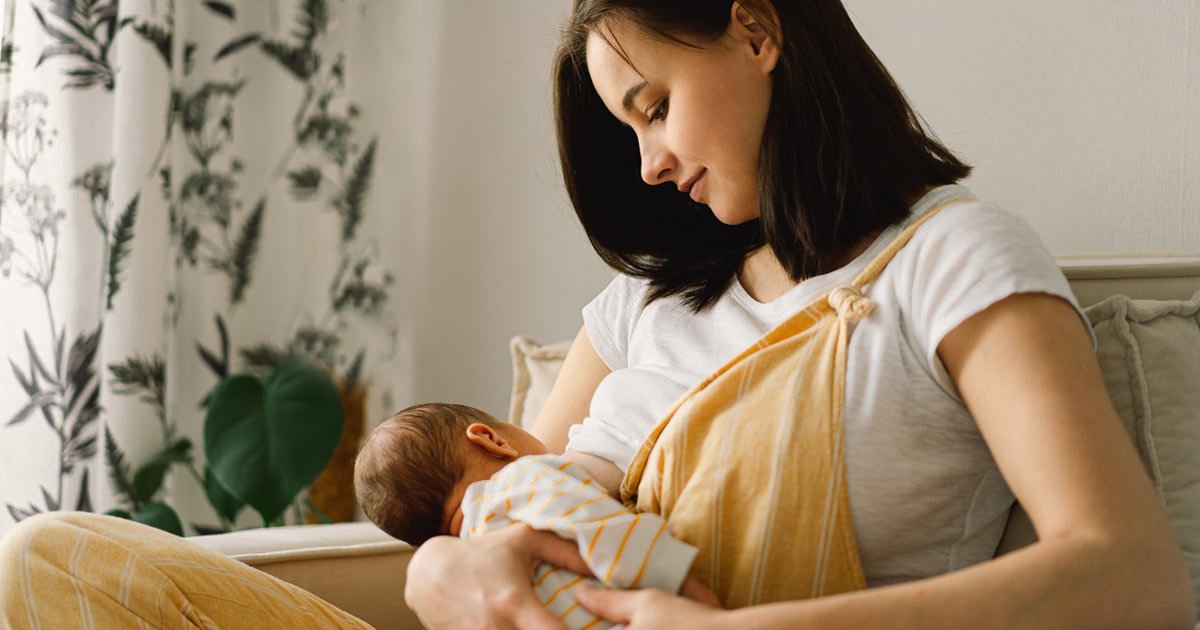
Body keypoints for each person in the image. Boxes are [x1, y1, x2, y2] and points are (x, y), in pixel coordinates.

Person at [402, 1, 1195, 628]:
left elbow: (1132, 573)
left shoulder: (950, 260)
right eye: (631, 130)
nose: (649, 165)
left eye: (657, 108)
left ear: (757, 32)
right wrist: (436, 566)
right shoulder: (646, 300)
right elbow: (518, 491)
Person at [353, 402, 711, 629]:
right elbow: (608, 532)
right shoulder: (525, 480)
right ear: (491, 439)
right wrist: (693, 594)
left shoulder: (474, 568)